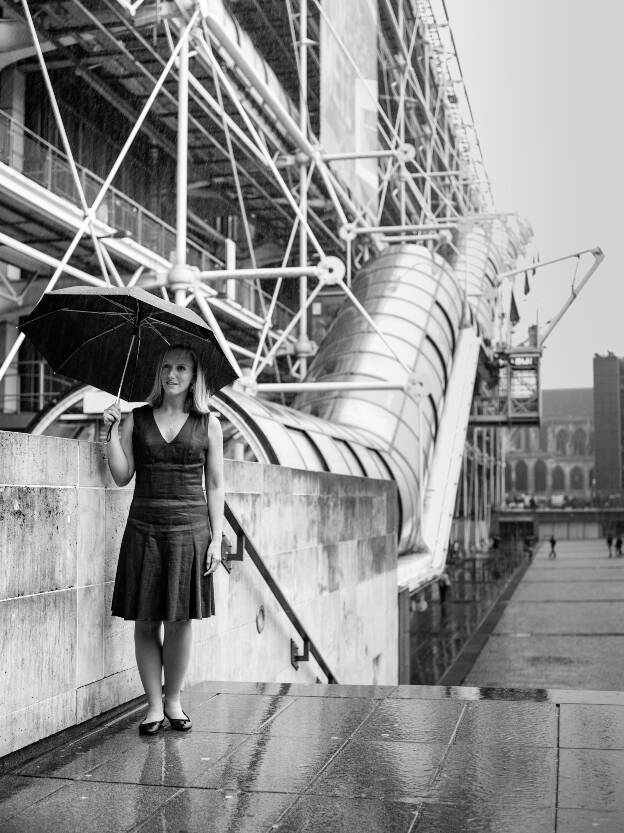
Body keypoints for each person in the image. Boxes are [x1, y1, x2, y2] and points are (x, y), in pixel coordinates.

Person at [103, 343, 224, 736]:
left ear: (194, 377)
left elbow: (217, 485)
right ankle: (153, 706)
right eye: (167, 367)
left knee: (180, 621)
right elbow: (122, 476)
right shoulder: (136, 419)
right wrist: (110, 433)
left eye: (181, 369)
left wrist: (216, 538)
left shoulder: (209, 424)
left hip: (191, 529)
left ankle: (174, 701)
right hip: (145, 526)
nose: (172, 375)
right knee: (145, 620)